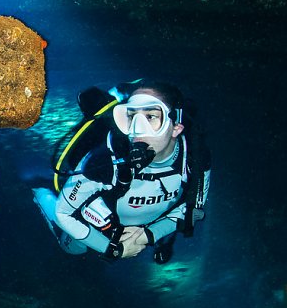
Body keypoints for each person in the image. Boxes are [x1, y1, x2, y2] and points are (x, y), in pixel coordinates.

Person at [33, 81, 210, 262]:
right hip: (103, 224)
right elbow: (63, 213)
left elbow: (194, 209)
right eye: (132, 116)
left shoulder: (194, 159)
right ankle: (40, 192)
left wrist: (148, 235)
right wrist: (113, 250)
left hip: (148, 223)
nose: (137, 130)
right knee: (73, 249)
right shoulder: (104, 162)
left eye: (150, 117)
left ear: (176, 128)